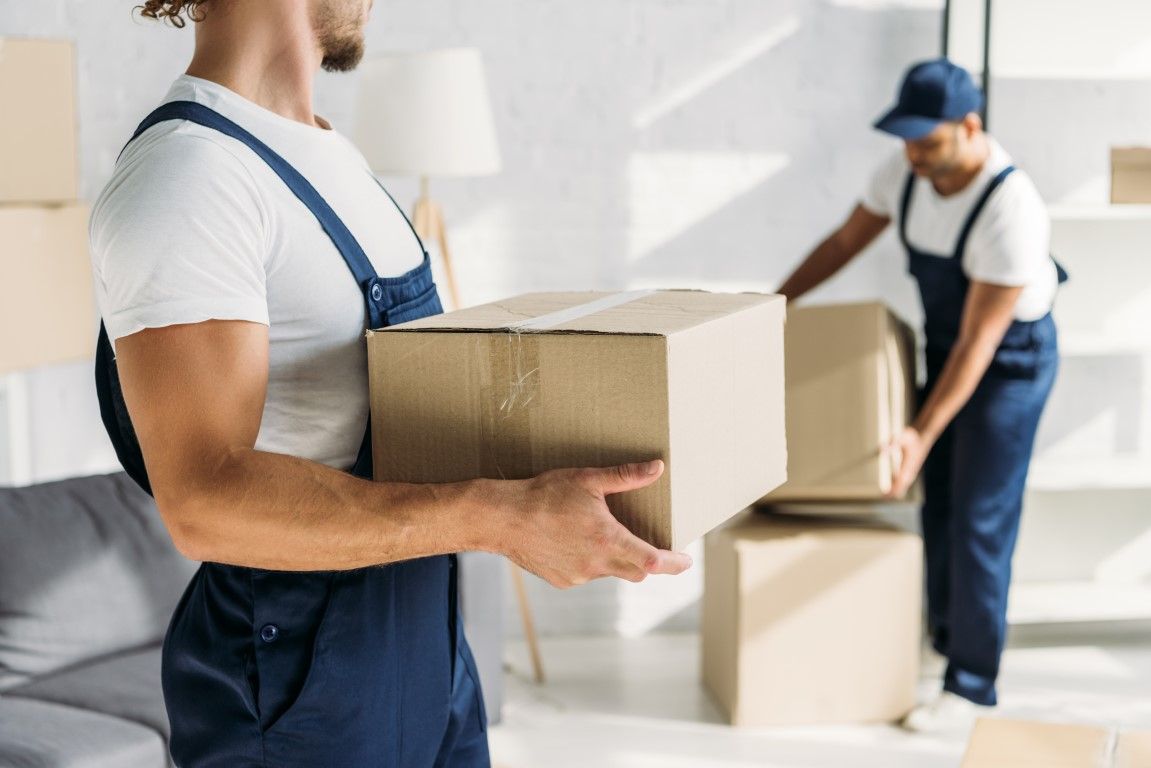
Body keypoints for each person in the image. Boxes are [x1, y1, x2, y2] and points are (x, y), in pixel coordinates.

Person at [89, 1, 691, 765]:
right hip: (297, 682)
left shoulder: (329, 155)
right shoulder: (190, 175)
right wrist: (499, 519)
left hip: (422, 640)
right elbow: (205, 502)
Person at [776, 58, 1063, 732]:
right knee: (935, 502)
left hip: (1008, 362)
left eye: (927, 141)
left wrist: (918, 431)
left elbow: (978, 346)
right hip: (948, 346)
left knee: (978, 516)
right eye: (904, 138)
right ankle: (944, 646)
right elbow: (845, 240)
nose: (912, 153)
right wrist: (771, 304)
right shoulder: (904, 175)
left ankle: (971, 685)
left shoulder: (1009, 209)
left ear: (970, 126)